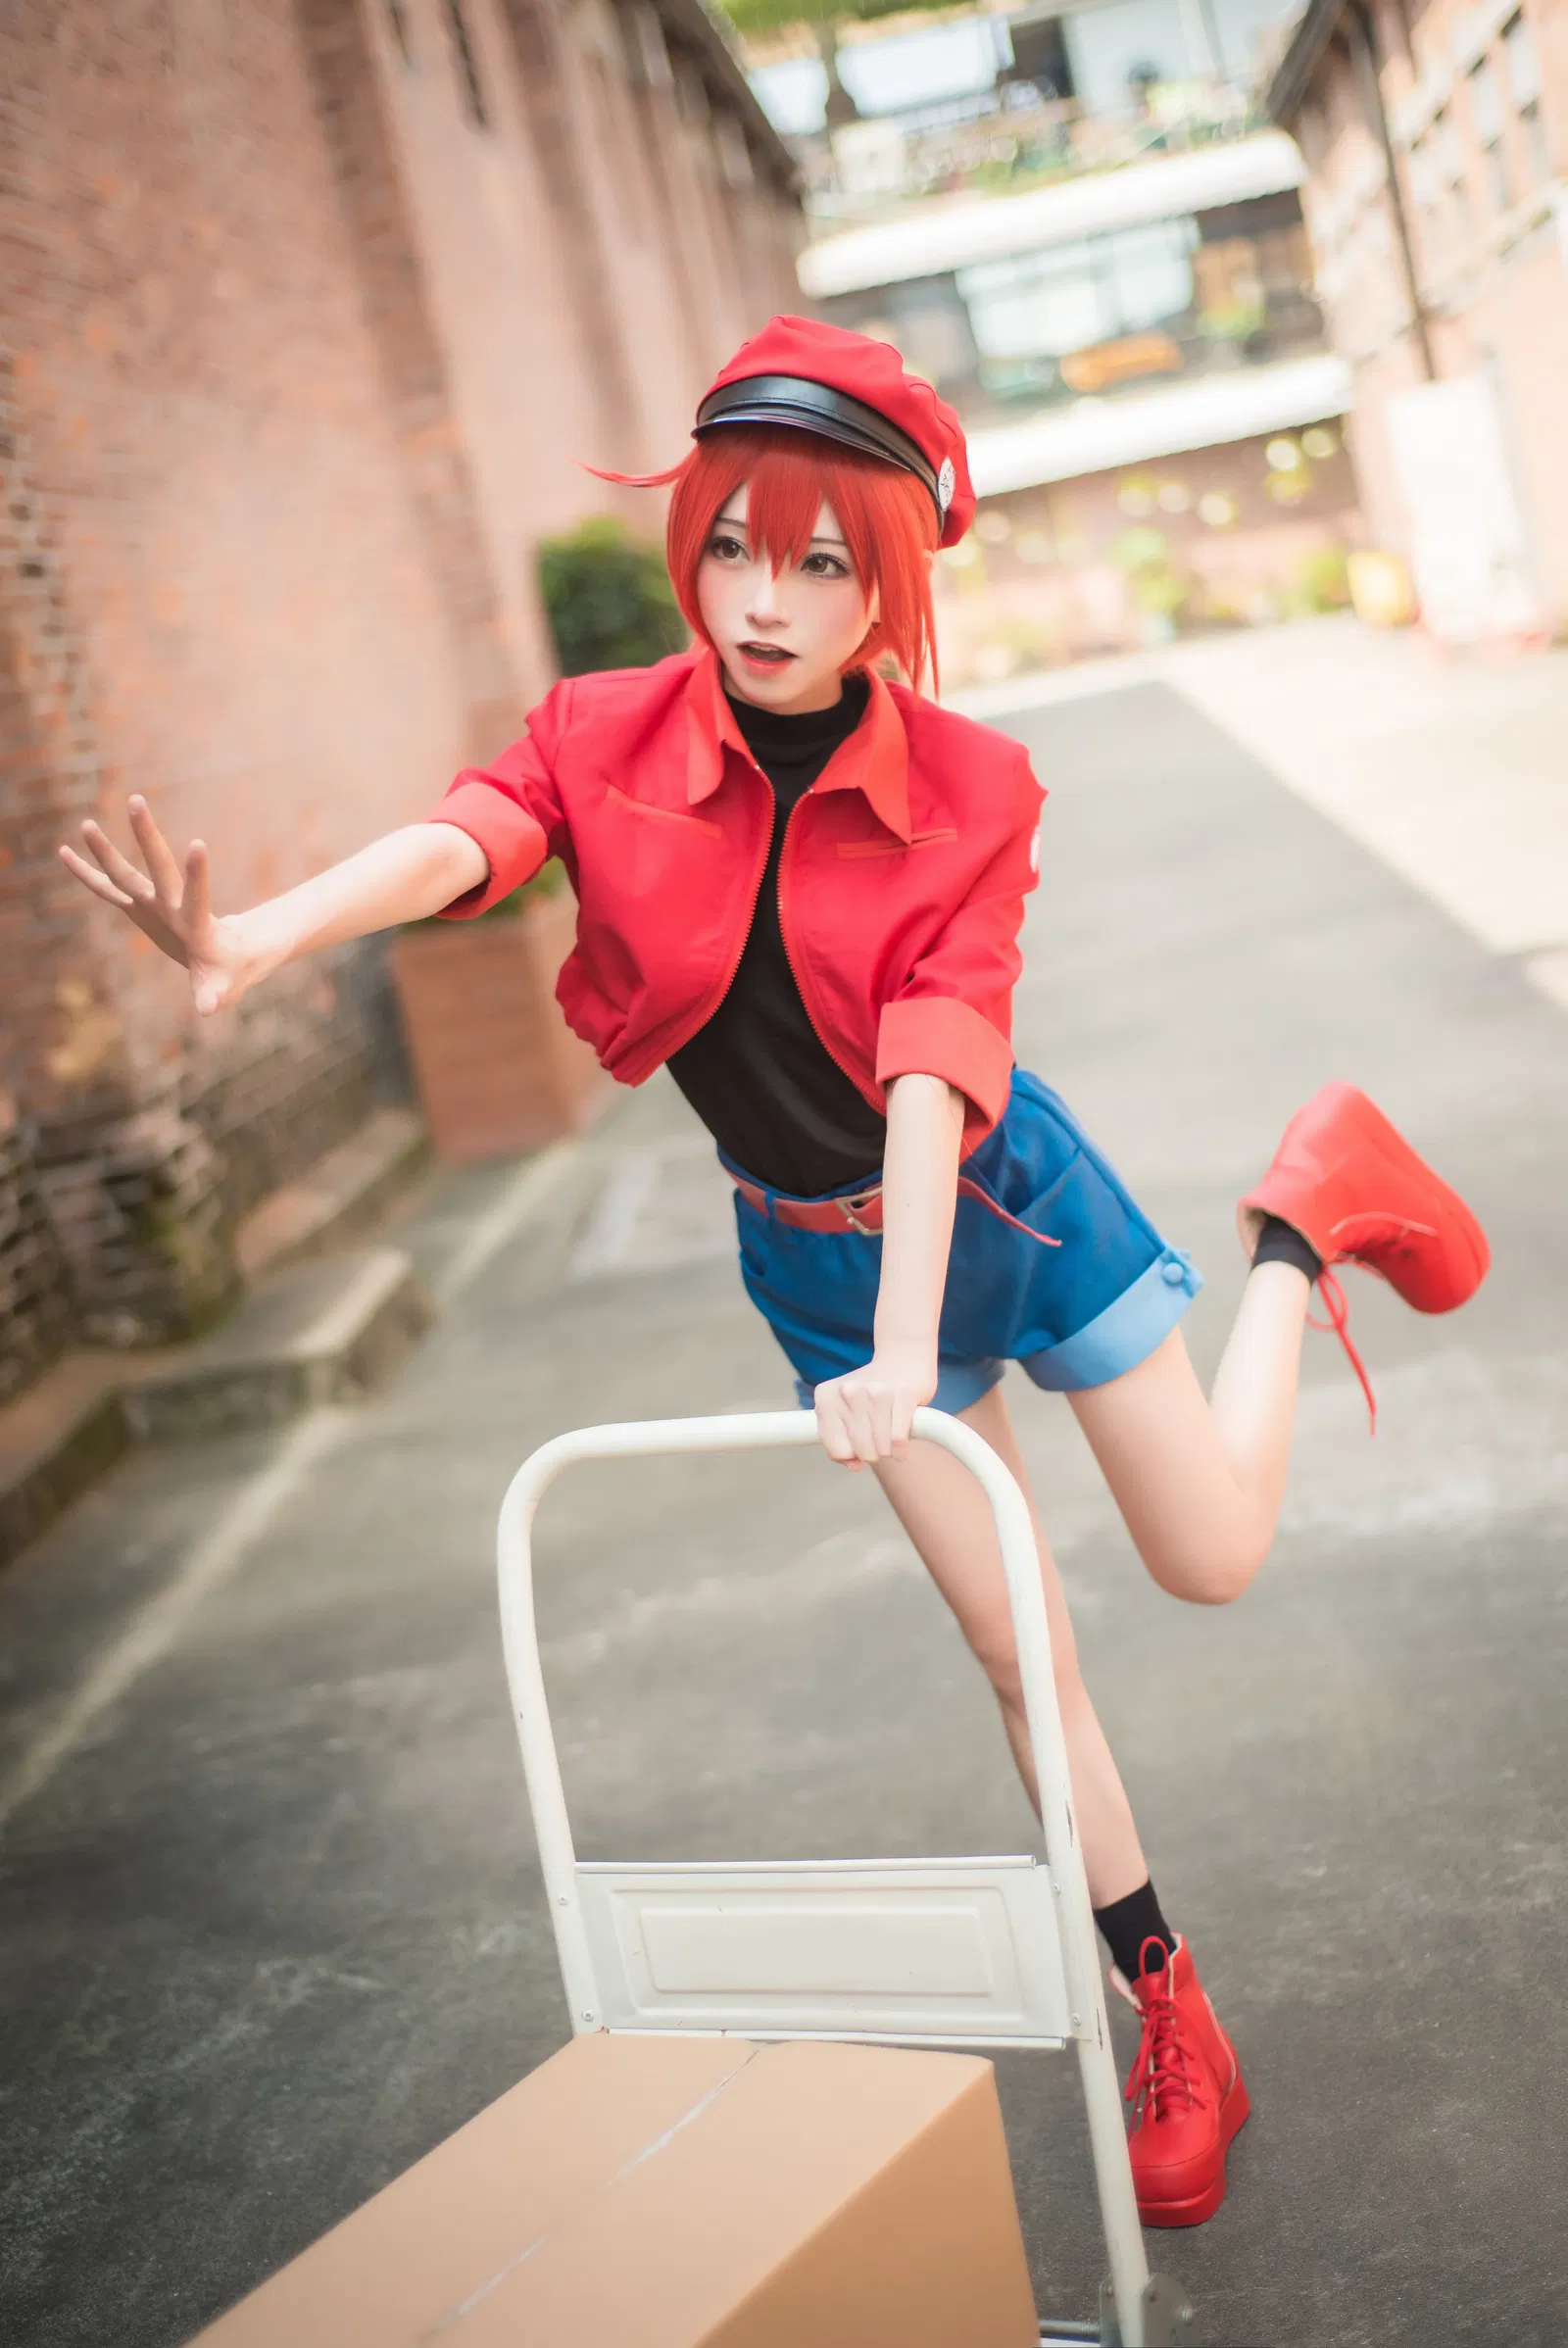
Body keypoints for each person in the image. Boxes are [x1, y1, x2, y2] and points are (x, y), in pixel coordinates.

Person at [59, 316, 1489, 2230]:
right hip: (811, 1262)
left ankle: (1300, 1231)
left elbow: (931, 1065)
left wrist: (907, 1343)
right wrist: (258, 932)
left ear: (887, 581)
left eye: (819, 562)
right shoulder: (604, 735)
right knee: (1018, 1652)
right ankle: (1165, 2003)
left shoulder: (974, 785)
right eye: (731, 543)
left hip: (1000, 1210)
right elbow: (469, 842)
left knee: (1208, 1557)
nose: (761, 598)